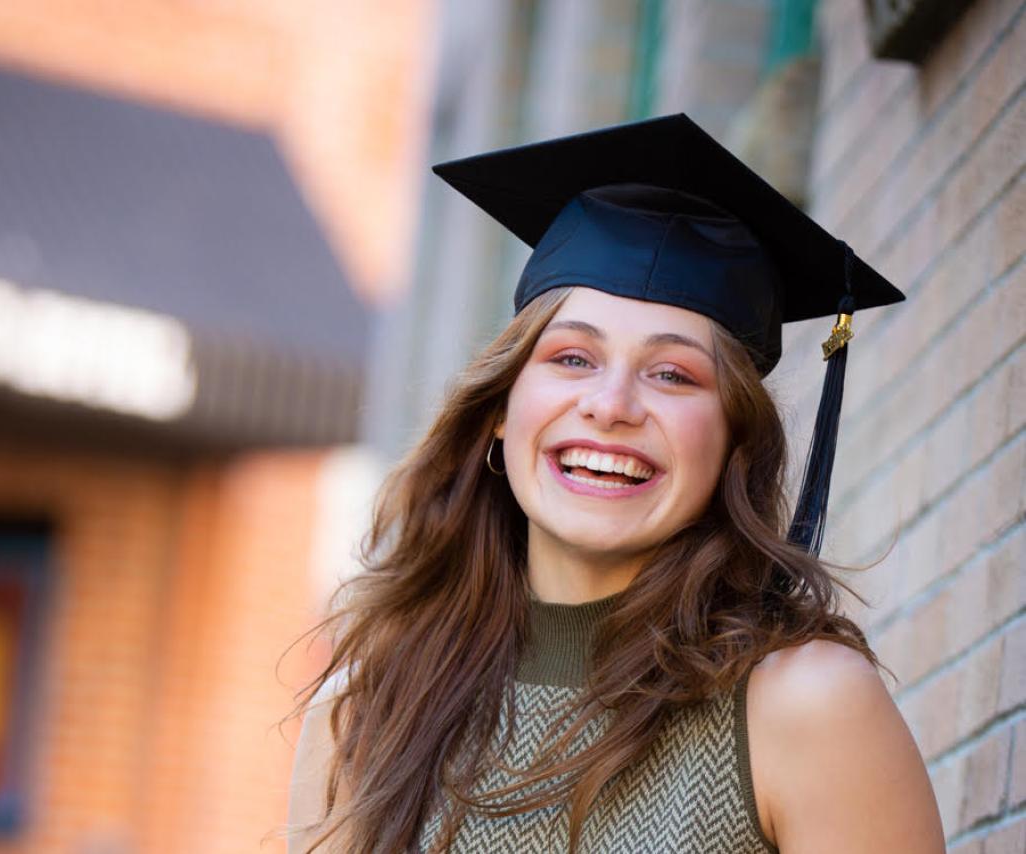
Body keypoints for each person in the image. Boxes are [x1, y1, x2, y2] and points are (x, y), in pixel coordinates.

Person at [285, 115, 946, 853]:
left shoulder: (801, 706)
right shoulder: (373, 708)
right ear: (501, 410)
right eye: (572, 359)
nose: (611, 406)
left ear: (734, 444)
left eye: (672, 375)